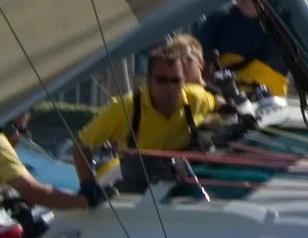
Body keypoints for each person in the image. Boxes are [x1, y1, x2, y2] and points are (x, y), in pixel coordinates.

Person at [75, 39, 223, 193]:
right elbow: (81, 144)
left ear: (184, 81)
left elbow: (217, 101)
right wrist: (88, 185)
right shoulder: (124, 108)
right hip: (137, 190)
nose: (169, 87)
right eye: (162, 80)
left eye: (175, 81)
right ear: (148, 80)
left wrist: (225, 108)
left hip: (183, 185)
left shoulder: (195, 98)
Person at [196, 0, 291, 100]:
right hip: (226, 102)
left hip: (272, 103)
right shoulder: (218, 21)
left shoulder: (285, 26)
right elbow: (196, 65)